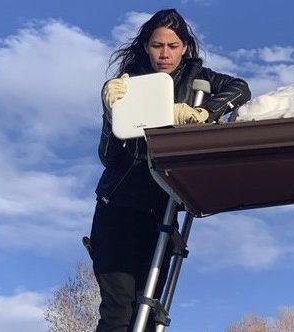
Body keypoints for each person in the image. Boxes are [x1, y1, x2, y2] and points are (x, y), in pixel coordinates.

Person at [86, 8, 251, 332]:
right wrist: (110, 115)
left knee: (146, 312)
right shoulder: (127, 84)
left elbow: (241, 89)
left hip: (161, 208)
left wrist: (203, 112)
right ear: (146, 46)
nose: (164, 54)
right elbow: (108, 158)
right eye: (157, 45)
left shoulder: (198, 78)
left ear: (185, 47)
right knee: (117, 311)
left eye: (172, 46)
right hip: (117, 206)